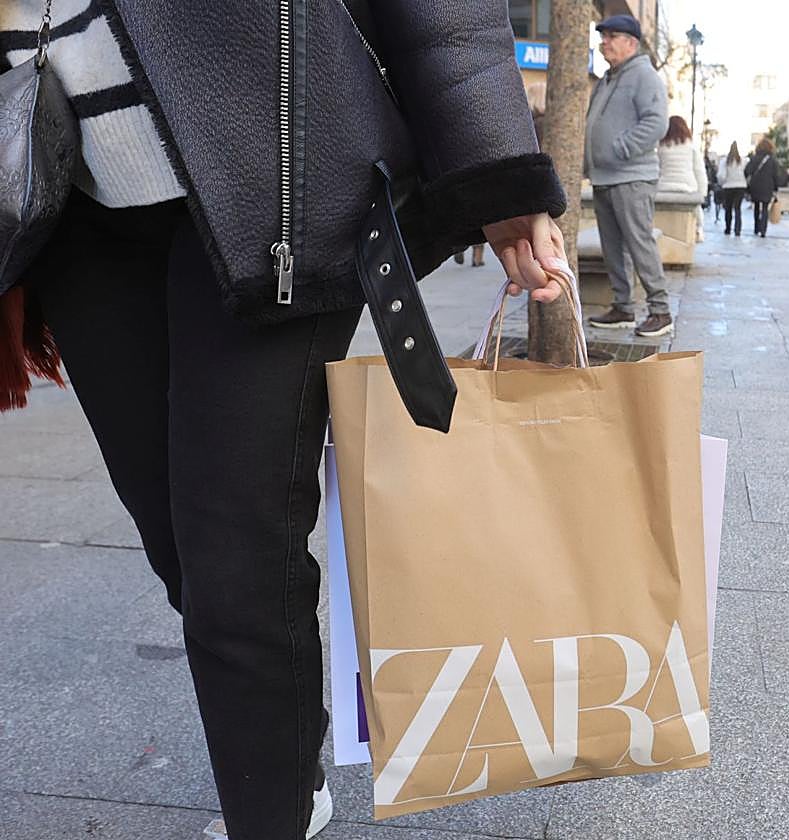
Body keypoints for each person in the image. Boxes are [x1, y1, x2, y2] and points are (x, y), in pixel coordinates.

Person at [0, 2, 568, 839]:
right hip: (64, 178)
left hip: (274, 169)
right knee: (183, 552)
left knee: (234, 562)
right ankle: (290, 756)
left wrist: (496, 165)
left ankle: (271, 813)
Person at [584, 14, 673, 337]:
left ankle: (660, 311)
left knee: (639, 244)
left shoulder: (644, 76)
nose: (604, 41)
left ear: (631, 43)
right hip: (606, 177)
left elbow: (656, 123)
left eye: (611, 36)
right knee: (612, 247)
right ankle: (623, 307)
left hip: (632, 176)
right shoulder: (609, 78)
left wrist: (619, 149)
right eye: (603, 36)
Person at [657, 116, 708, 244]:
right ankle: (698, 230)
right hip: (687, 187)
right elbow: (700, 171)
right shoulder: (691, 147)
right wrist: (702, 193)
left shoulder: (661, 147)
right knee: (696, 211)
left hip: (664, 187)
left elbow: (656, 169)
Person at [745, 138, 786, 237]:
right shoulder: (772, 160)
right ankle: (763, 230)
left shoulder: (754, 158)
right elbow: (776, 175)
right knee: (764, 208)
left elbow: (747, 171)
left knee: (756, 207)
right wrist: (776, 188)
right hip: (768, 187)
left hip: (755, 186)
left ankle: (756, 227)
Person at [718, 141, 748, 236]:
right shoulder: (743, 161)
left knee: (728, 208)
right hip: (740, 186)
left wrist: (722, 183)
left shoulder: (725, 161)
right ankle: (737, 230)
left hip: (728, 186)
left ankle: (728, 228)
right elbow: (747, 173)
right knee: (738, 208)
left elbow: (721, 176)